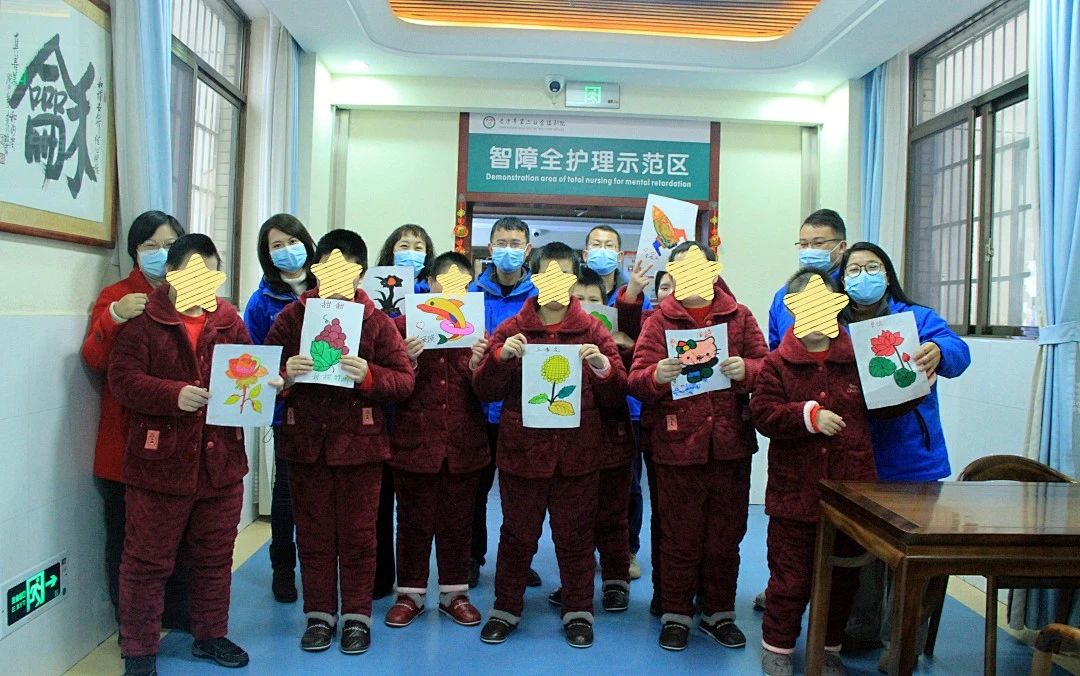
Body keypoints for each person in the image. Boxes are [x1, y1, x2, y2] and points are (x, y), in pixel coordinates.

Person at [109, 234, 269, 676]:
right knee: (146, 562)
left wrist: (268, 382)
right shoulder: (145, 320)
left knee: (215, 557)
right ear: (172, 273)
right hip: (159, 465)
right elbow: (122, 380)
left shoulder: (229, 319)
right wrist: (172, 394)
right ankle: (139, 651)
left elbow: (249, 369)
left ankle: (210, 635)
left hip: (221, 464)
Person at [264, 230, 415, 655]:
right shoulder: (292, 318)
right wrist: (285, 375)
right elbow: (262, 375)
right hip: (305, 445)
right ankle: (319, 615)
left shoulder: (377, 322)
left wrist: (369, 375)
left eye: (344, 268)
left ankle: (356, 616)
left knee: (359, 536)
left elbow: (404, 381)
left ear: (360, 274)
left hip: (361, 447)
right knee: (312, 535)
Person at [474, 243, 626, 649]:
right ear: (534, 277)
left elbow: (617, 393)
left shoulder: (593, 330)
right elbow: (484, 390)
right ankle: (506, 607)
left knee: (576, 537)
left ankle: (578, 609)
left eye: (564, 275)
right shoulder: (512, 328)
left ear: (574, 280)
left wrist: (603, 367)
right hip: (523, 454)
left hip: (578, 454)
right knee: (516, 535)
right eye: (547, 275)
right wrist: (501, 359)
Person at [834, 243, 971, 667]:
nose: (863, 276)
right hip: (856, 456)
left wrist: (940, 352)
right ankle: (860, 628)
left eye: (872, 267)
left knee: (911, 557)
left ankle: (904, 639)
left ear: (888, 274)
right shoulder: (833, 323)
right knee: (862, 551)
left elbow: (958, 353)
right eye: (854, 270)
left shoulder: (917, 318)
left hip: (914, 457)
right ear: (842, 280)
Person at [751, 269, 894, 676]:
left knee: (843, 578)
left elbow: (888, 404)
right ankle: (778, 646)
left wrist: (912, 382)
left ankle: (829, 647)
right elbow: (763, 413)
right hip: (794, 494)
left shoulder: (860, 357)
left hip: (850, 492)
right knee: (790, 576)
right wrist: (807, 416)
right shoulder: (776, 363)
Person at [628, 242, 766, 652]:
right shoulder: (659, 320)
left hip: (730, 446)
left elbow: (768, 367)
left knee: (726, 536)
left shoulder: (739, 317)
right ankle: (676, 613)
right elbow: (635, 379)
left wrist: (747, 370)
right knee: (678, 536)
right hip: (676, 447)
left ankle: (719, 613)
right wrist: (657, 375)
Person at [81, 210, 191, 632]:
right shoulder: (118, 295)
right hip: (126, 443)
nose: (161, 254)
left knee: (179, 535)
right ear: (135, 252)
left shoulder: (193, 295)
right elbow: (94, 358)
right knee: (126, 535)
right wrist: (115, 315)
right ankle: (131, 622)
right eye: (151, 246)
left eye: (170, 245)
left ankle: (176, 613)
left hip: (181, 442)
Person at [384, 252, 490, 629]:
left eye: (462, 283)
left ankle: (453, 594)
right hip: (414, 442)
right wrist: (406, 360)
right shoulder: (401, 327)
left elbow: (489, 391)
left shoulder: (477, 330)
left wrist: (480, 365)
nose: (453, 289)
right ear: (430, 283)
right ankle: (410, 595)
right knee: (412, 522)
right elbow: (389, 386)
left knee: (458, 522)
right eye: (445, 281)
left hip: (464, 442)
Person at [547, 268, 636, 613]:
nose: (585, 306)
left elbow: (623, 388)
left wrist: (618, 353)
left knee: (613, 516)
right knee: (574, 520)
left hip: (612, 440)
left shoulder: (618, 340)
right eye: (578, 299)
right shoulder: (555, 337)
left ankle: (616, 581)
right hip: (571, 444)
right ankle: (575, 582)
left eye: (594, 300)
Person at [242, 213, 317, 604]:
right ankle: (283, 569)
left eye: (293, 241)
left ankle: (322, 570)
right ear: (267, 255)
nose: (287, 250)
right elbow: (252, 361)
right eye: (276, 245)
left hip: (332, 410)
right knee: (286, 496)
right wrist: (283, 376)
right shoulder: (260, 303)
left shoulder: (329, 289)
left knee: (325, 498)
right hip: (286, 411)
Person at [467, 217, 541, 589]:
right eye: (501, 242)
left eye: (515, 243)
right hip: (477, 410)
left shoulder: (540, 296)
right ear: (490, 247)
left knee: (520, 497)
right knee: (473, 492)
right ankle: (471, 558)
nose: (507, 250)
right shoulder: (469, 294)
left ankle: (518, 563)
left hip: (523, 409)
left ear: (527, 250)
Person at [581, 225, 651, 579]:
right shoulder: (575, 290)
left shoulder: (637, 292)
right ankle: (585, 548)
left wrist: (630, 344)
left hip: (628, 405)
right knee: (584, 481)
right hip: (582, 402)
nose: (602, 249)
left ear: (620, 253)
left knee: (629, 484)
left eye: (609, 245)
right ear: (585, 252)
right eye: (596, 244)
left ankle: (628, 549)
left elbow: (650, 341)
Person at [371, 224, 436, 597]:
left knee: (414, 502)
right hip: (379, 403)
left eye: (418, 246)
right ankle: (380, 575)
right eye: (404, 245)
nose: (411, 252)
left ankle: (414, 580)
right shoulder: (370, 292)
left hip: (418, 408)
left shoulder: (433, 297)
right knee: (377, 498)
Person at [767, 209, 848, 351]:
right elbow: (775, 349)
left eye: (818, 243)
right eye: (804, 244)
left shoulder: (855, 291)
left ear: (841, 247)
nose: (809, 250)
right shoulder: (784, 295)